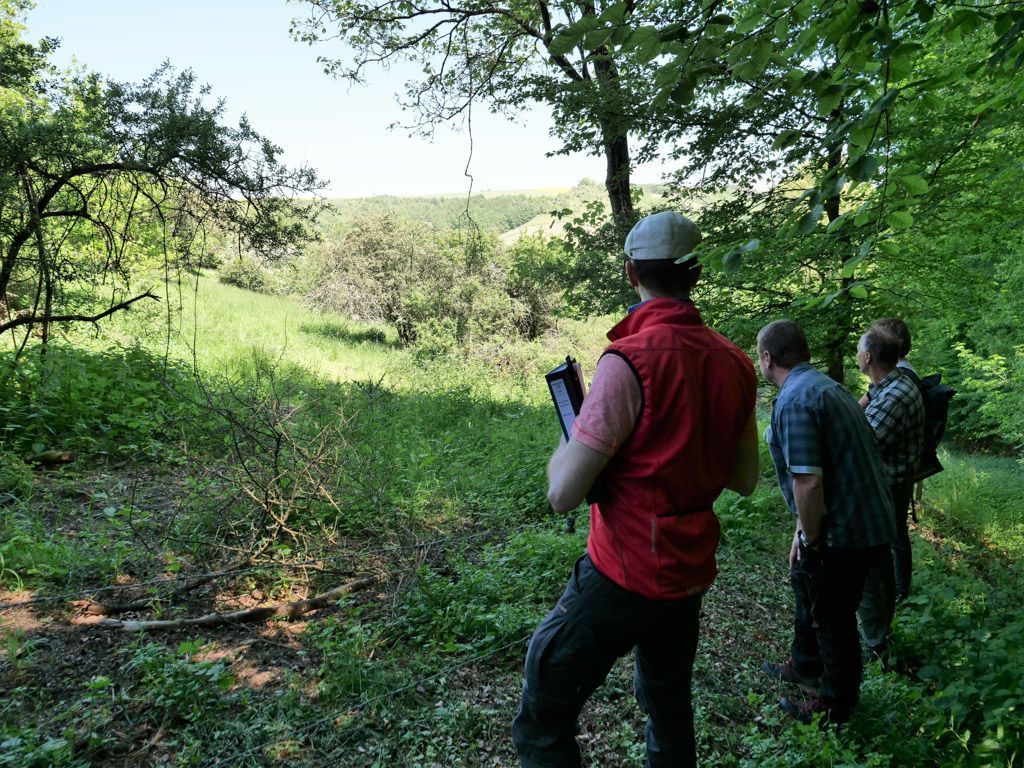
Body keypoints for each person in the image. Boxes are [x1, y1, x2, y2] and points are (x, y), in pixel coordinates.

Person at [512, 211, 760, 768]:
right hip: (688, 573)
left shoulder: (629, 362)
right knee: (669, 706)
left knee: (544, 709)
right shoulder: (737, 362)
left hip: (622, 573)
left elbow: (562, 495)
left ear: (631, 274)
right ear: (694, 277)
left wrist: (573, 434)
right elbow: (745, 480)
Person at [757, 319, 895, 725]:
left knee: (833, 616)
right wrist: (803, 531)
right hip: (863, 519)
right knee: (807, 582)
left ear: (768, 358)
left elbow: (808, 479)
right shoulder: (824, 386)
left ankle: (835, 707)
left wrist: (812, 536)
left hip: (847, 530)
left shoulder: (796, 399)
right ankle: (804, 666)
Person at [855, 327, 924, 648]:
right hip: (887, 487)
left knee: (873, 564)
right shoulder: (887, 386)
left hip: (886, 490)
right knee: (879, 560)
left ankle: (877, 640)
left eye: (859, 350)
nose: (857, 355)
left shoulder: (896, 394)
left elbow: (864, 441)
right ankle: (879, 632)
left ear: (868, 357)